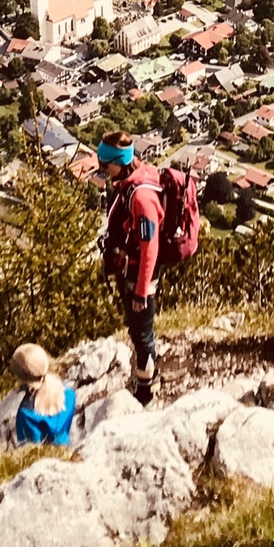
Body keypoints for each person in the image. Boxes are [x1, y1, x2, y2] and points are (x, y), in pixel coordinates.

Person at [98, 132, 164, 403]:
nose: (103, 170)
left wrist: (140, 292)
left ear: (121, 162)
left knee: (142, 333)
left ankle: (146, 391)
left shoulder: (141, 198)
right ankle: (146, 375)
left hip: (141, 275)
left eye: (106, 165)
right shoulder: (135, 177)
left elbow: (150, 247)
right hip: (132, 268)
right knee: (138, 330)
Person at [12, 342, 77, 446]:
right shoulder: (69, 394)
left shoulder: (26, 414)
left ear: (20, 377)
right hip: (66, 452)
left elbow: (31, 449)